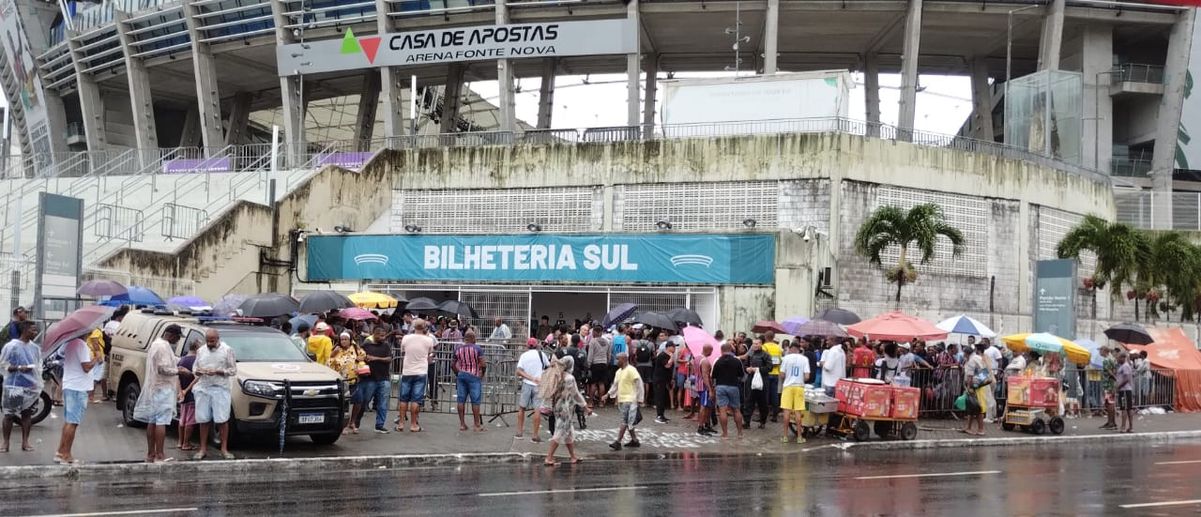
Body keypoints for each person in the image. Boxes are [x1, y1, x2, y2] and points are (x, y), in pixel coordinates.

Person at [134, 324, 182, 463]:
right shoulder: (162, 346)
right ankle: (160, 454)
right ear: (172, 335)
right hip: (163, 387)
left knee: (153, 421)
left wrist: (177, 364)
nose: (177, 341)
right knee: (161, 421)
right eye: (178, 338)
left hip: (155, 387)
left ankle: (151, 454)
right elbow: (162, 368)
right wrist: (179, 371)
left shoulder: (156, 344)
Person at [193, 328, 237, 460]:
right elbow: (195, 368)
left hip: (220, 388)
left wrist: (218, 371)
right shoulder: (201, 350)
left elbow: (233, 370)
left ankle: (224, 449)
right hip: (204, 387)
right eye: (207, 341)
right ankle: (202, 449)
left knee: (222, 420)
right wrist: (199, 372)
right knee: (203, 419)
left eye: (212, 341)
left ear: (218, 339)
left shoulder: (227, 350)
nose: (209, 343)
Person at [53, 335, 98, 464]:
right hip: (78, 388)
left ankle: (61, 451)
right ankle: (66, 454)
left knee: (69, 421)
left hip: (71, 385)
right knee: (73, 422)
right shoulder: (81, 345)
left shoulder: (69, 343)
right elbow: (86, 367)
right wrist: (96, 359)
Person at [540, 355, 590, 466]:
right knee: (559, 433)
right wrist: (585, 407)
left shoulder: (556, 376)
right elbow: (576, 394)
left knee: (569, 433)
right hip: (565, 409)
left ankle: (573, 457)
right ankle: (549, 458)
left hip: (557, 407)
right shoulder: (569, 378)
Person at [1, 320, 39, 454]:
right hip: (14, 385)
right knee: (9, 415)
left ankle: (25, 442)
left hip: (30, 386)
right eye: (33, 330)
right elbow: (3, 365)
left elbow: (38, 364)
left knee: (27, 414)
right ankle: (5, 442)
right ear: (24, 330)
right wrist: (17, 368)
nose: (35, 332)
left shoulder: (35, 348)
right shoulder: (11, 346)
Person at [398, 319, 435, 433]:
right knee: (416, 399)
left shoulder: (406, 338)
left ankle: (401, 423)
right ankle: (414, 424)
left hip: (407, 371)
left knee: (403, 399)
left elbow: (403, 352)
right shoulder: (429, 340)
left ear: (413, 326)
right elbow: (430, 354)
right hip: (421, 371)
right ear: (424, 327)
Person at [357, 325, 394, 434]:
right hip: (369, 378)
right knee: (364, 401)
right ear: (375, 334)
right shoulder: (366, 345)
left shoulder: (386, 346)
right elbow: (359, 357)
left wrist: (376, 358)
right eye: (381, 335)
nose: (383, 337)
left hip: (384, 378)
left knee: (383, 403)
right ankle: (356, 421)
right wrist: (364, 358)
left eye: (384, 335)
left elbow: (389, 359)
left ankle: (379, 425)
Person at [328, 332, 367, 434]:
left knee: (358, 401)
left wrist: (361, 358)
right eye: (342, 339)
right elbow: (328, 363)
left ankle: (352, 422)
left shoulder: (355, 349)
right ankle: (343, 425)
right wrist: (333, 355)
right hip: (341, 381)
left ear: (350, 340)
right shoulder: (336, 350)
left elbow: (363, 355)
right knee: (344, 404)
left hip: (354, 380)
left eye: (346, 339)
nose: (344, 341)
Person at [605, 354, 644, 450]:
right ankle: (634, 440)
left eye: (618, 359)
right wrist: (608, 394)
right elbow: (615, 385)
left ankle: (618, 442)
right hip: (622, 400)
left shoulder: (631, 370)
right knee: (628, 422)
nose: (616, 361)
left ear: (623, 359)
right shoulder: (618, 372)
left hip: (630, 400)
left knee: (625, 421)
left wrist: (639, 398)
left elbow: (639, 384)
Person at [453, 330, 487, 432]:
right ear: (473, 338)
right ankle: (476, 425)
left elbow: (452, 364)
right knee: (475, 401)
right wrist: (482, 374)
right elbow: (483, 364)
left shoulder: (458, 349)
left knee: (461, 400)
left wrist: (458, 373)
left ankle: (462, 424)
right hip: (474, 376)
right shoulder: (477, 349)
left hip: (462, 375)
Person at [779, 341, 811, 444]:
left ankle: (785, 436)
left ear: (790, 348)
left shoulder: (786, 358)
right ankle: (799, 437)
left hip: (788, 387)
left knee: (786, 412)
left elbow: (782, 374)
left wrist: (788, 378)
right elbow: (807, 376)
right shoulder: (804, 359)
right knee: (798, 412)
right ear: (799, 348)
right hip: (799, 387)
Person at [516, 338, 548, 440]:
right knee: (537, 409)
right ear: (536, 345)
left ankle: (519, 432)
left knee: (522, 408)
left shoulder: (524, 356)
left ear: (527, 345)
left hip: (526, 384)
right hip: (538, 385)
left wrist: (529, 377)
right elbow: (548, 367)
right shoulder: (541, 354)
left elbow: (519, 371)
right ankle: (535, 435)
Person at [712, 343, 746, 438]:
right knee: (736, 410)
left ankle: (725, 434)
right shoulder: (737, 361)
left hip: (721, 386)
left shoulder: (718, 361)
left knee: (722, 410)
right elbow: (742, 375)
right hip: (733, 386)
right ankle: (740, 433)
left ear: (721, 351)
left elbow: (713, 376)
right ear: (731, 350)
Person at [961, 342, 992, 437]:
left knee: (978, 408)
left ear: (966, 353)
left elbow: (970, 376)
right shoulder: (977, 357)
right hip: (980, 385)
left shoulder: (971, 360)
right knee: (971, 407)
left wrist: (970, 388)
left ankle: (981, 429)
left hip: (977, 387)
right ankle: (968, 427)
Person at [176, 341, 200, 452]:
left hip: (182, 395)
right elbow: (197, 378)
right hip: (191, 394)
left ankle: (180, 442)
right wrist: (186, 390)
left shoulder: (182, 360)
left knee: (182, 419)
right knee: (190, 420)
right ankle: (186, 443)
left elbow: (176, 378)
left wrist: (180, 391)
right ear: (197, 348)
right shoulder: (196, 361)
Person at [742, 339, 771, 429]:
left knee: (763, 402)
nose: (755, 345)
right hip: (751, 380)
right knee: (748, 401)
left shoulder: (766, 355)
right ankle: (746, 422)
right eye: (754, 344)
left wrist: (758, 369)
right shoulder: (750, 355)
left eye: (757, 343)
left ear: (761, 344)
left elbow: (769, 368)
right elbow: (744, 365)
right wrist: (747, 369)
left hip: (763, 381)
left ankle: (763, 421)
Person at [586, 325, 612, 406]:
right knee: (601, 383)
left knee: (593, 383)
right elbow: (609, 355)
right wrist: (607, 363)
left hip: (595, 364)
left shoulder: (593, 341)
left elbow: (590, 355)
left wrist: (588, 365)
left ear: (595, 332)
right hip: (604, 364)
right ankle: (601, 402)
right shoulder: (607, 342)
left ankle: (590, 402)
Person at [695, 344, 717, 436]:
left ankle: (707, 425)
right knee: (704, 406)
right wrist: (710, 389)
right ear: (708, 350)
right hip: (704, 386)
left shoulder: (696, 358)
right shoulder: (705, 361)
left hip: (698, 384)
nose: (711, 353)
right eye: (711, 351)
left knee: (707, 406)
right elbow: (705, 376)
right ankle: (700, 427)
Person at [652, 340, 674, 424]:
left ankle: (662, 414)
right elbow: (667, 365)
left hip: (664, 380)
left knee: (663, 397)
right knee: (659, 398)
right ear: (668, 347)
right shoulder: (662, 355)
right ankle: (659, 415)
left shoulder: (668, 356)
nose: (674, 348)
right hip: (659, 379)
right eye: (673, 347)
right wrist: (671, 357)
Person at [85, 328, 107, 403]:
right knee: (95, 377)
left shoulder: (90, 329)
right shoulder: (96, 330)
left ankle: (89, 396)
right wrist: (99, 356)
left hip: (91, 354)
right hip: (95, 356)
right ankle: (91, 397)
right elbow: (95, 342)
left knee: (91, 376)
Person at [1115, 352, 1135, 433]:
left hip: (1125, 390)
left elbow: (1126, 378)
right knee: (1128, 408)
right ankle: (1130, 427)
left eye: (1118, 358)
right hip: (1125, 390)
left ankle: (1124, 427)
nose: (1117, 359)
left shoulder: (1125, 366)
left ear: (1123, 358)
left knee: (1125, 408)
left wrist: (1118, 386)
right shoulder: (1123, 366)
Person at [1101, 347, 1118, 430]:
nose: (1100, 352)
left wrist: (1115, 378)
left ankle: (1111, 423)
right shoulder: (1112, 359)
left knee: (1109, 404)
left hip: (1108, 385)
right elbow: (1114, 370)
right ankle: (1112, 422)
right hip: (1111, 384)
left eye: (1101, 350)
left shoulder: (1106, 360)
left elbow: (1109, 372)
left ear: (1105, 351)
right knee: (1111, 403)